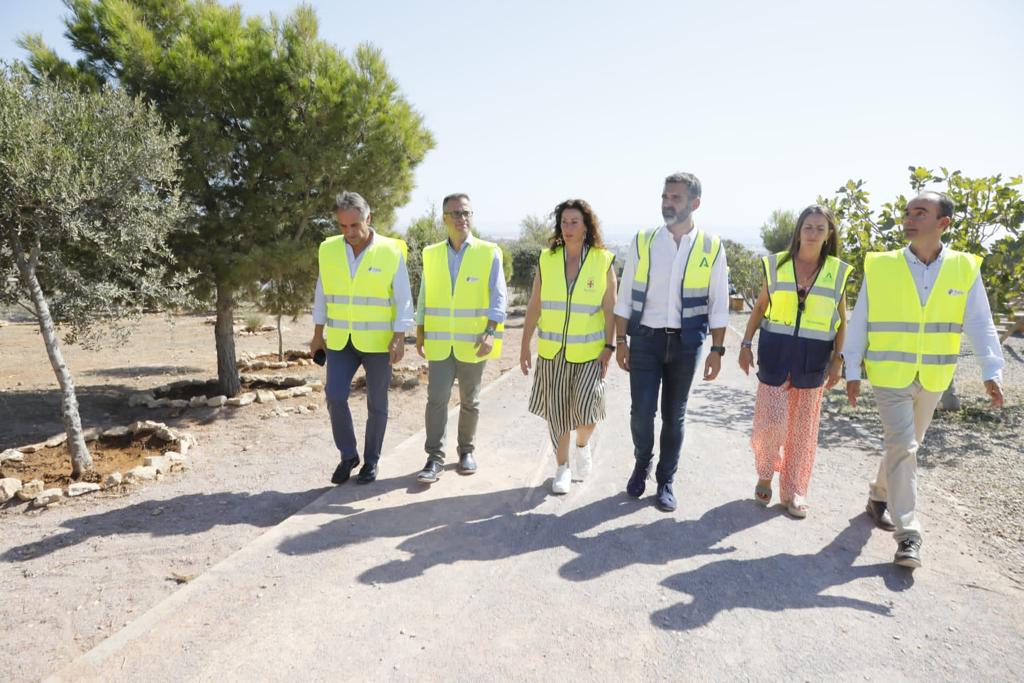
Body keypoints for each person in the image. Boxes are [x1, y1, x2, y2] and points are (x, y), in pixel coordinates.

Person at [844, 191, 1005, 569]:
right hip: (888, 373)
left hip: (934, 375)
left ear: (943, 223)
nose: (909, 219)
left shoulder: (964, 268)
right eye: (907, 212)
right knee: (904, 445)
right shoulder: (881, 265)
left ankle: (878, 496)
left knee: (905, 445)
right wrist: (852, 369)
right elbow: (861, 319)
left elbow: (980, 322)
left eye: (921, 212)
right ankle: (909, 535)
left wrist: (991, 371)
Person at [614, 172, 729, 512]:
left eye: (675, 198)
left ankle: (666, 480)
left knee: (673, 416)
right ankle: (641, 462)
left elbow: (718, 302)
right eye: (665, 196)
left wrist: (717, 350)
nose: (667, 202)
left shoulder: (711, 246)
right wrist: (621, 340)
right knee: (641, 412)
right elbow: (623, 296)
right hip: (646, 341)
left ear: (695, 203)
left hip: (686, 344)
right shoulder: (644, 241)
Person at [738, 205, 853, 518]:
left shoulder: (837, 271)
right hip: (776, 354)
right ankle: (765, 472)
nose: (812, 233)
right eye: (807, 227)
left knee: (802, 432)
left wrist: (838, 361)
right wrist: (745, 344)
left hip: (813, 361)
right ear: (798, 231)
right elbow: (760, 307)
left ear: (829, 234)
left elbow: (842, 322)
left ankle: (795, 491)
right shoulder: (777, 265)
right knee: (771, 422)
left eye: (819, 228)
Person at [310, 191, 413, 485]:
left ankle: (372, 461)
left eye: (354, 225)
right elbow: (322, 294)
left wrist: (398, 338)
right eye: (342, 226)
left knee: (377, 403)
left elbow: (404, 299)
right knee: (334, 395)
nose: (348, 233)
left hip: (379, 343)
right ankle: (348, 455)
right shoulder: (329, 250)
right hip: (341, 341)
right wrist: (318, 335)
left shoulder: (391, 251)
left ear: (369, 218)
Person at [520, 199, 617, 494]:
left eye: (575, 222)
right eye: (564, 222)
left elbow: (612, 309)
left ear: (587, 226)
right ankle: (562, 468)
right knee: (558, 414)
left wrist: (610, 347)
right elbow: (535, 304)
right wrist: (525, 345)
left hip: (590, 353)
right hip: (552, 353)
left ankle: (582, 444)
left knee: (588, 412)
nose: (568, 228)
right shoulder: (547, 259)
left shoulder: (603, 260)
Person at [414, 193, 507, 484]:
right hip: (440, 342)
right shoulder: (430, 253)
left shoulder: (488, 251)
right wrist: (419, 329)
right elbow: (425, 295)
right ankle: (434, 458)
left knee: (471, 400)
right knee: (436, 400)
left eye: (466, 212)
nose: (461, 217)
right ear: (444, 219)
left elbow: (499, 296)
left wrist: (491, 332)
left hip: (474, 341)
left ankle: (466, 451)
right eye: (455, 213)